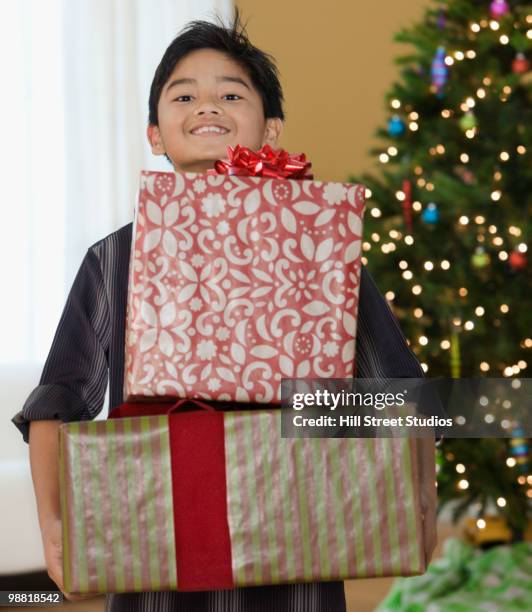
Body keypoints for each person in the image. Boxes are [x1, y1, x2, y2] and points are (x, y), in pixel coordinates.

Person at [12, 11, 437, 612]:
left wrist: (415, 500)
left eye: (231, 93)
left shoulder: (323, 252)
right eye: (183, 94)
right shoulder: (113, 259)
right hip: (157, 534)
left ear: (271, 130)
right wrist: (54, 527)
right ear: (155, 134)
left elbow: (401, 394)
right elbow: (59, 401)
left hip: (299, 534)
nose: (206, 104)